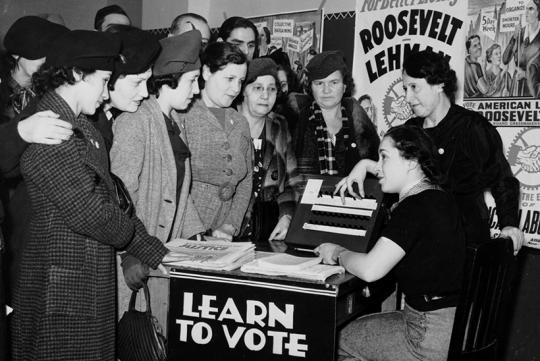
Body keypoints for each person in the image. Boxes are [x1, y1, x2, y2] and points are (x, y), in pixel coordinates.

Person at [10, 30, 168, 361]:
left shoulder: (82, 126)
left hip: (79, 288)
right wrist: (135, 241)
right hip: (60, 295)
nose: (108, 91)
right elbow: (91, 212)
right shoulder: (53, 130)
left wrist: (154, 252)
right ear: (77, 75)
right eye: (105, 80)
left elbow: (111, 201)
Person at [337, 50, 524, 254]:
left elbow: (502, 180)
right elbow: (394, 177)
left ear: (439, 84)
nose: (408, 97)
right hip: (419, 243)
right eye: (405, 88)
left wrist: (509, 224)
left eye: (414, 87)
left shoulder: (472, 127)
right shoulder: (410, 130)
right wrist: (364, 165)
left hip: (464, 243)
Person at [319, 125, 466, 361]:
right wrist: (364, 165)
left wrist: (337, 252)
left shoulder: (414, 207)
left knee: (329, 338)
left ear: (411, 161)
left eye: (384, 157)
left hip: (426, 336)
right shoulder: (439, 197)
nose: (378, 166)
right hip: (455, 327)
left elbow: (370, 269)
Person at [110, 30, 206, 330]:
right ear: (170, 78)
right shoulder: (134, 123)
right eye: (192, 80)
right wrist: (128, 253)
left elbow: (179, 193)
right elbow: (118, 198)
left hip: (159, 256)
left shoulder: (175, 121)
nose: (198, 89)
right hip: (132, 261)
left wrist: (198, 238)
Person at [184, 42, 252, 240]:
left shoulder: (240, 122)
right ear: (206, 72)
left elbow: (245, 181)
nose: (235, 88)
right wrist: (194, 231)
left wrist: (230, 225)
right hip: (186, 229)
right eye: (229, 79)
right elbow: (175, 182)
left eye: (240, 81)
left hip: (225, 231)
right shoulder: (184, 114)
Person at [236, 57, 302, 243]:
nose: (265, 95)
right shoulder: (227, 122)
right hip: (226, 233)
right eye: (258, 88)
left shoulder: (279, 125)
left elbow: (292, 181)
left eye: (271, 89)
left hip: (267, 232)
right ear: (244, 91)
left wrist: (287, 217)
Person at [289, 50, 379, 176]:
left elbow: (376, 169)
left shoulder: (357, 119)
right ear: (310, 87)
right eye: (319, 83)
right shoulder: (296, 120)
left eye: (334, 82)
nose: (326, 90)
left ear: (344, 86)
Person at [91, 24, 160, 152]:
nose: (145, 93)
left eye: (147, 82)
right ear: (110, 78)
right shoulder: (87, 126)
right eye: (137, 83)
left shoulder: (113, 117)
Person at [503, 0, 540, 97]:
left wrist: (525, 74)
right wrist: (514, 38)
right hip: (516, 86)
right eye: (526, 9)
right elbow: (505, 59)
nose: (526, 13)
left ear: (538, 12)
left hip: (532, 88)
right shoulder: (520, 33)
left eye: (531, 9)